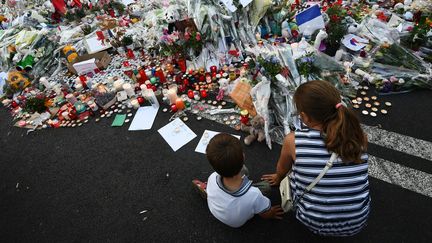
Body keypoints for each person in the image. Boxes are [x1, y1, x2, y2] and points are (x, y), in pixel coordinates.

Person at [262, 80, 370, 236]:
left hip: (314, 222)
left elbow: (282, 169)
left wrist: (278, 177)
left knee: (296, 173)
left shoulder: (293, 141)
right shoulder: (360, 137)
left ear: (305, 117)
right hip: (357, 222)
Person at [193, 133, 284, 228]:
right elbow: (265, 214)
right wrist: (272, 213)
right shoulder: (254, 194)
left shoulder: (212, 177)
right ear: (243, 157)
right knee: (266, 187)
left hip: (215, 210)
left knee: (217, 187)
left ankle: (206, 188)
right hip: (237, 223)